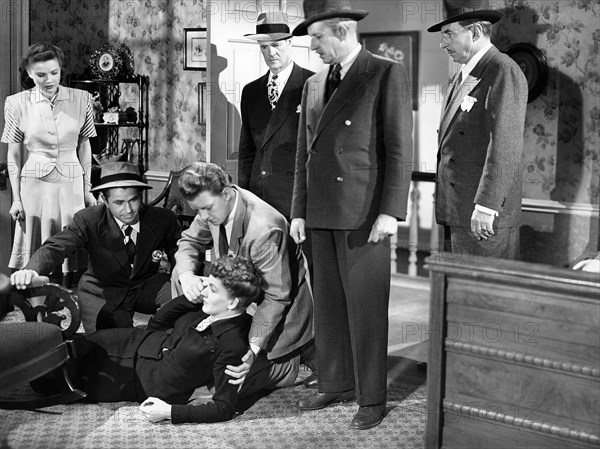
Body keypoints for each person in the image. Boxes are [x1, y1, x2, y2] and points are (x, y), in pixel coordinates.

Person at [290, 0, 413, 430]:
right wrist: (298, 211)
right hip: (320, 212)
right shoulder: (314, 84)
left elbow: (399, 150)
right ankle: (336, 380)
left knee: (366, 308)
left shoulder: (383, 72)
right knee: (328, 306)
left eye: (318, 39)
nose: (314, 49)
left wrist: (390, 212)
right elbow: (307, 154)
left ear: (342, 31)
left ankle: (372, 397)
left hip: (364, 214)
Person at [31, 257, 270, 424]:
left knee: (43, 382)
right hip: (129, 340)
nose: (205, 290)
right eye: (207, 284)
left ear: (233, 303)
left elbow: (224, 407)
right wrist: (192, 298)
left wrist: (170, 412)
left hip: (135, 380)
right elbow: (159, 321)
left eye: (213, 289)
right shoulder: (207, 308)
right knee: (51, 349)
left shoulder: (233, 344)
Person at [172, 162, 315, 395]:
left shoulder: (264, 230)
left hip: (278, 311)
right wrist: (187, 277)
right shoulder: (211, 206)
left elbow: (277, 297)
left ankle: (293, 359)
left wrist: (251, 348)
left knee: (226, 383)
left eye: (207, 208)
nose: (203, 216)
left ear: (226, 194)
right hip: (239, 299)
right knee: (178, 273)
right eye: (198, 210)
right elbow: (189, 242)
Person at [10, 162, 181, 332]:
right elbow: (56, 247)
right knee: (116, 344)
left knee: (184, 301)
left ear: (140, 196)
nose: (128, 209)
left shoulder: (163, 218)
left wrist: (183, 274)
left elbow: (179, 251)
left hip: (145, 285)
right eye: (119, 202)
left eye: (133, 200)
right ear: (104, 200)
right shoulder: (88, 220)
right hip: (102, 291)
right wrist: (32, 270)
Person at [427, 0, 528, 259]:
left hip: (482, 217)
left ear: (474, 32)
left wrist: (487, 205)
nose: (443, 44)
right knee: (458, 294)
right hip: (458, 211)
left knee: (483, 295)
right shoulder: (462, 76)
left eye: (448, 34)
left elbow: (505, 144)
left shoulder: (502, 70)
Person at [2, 43, 97, 283]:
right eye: (41, 74)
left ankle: (70, 299)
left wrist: (87, 189)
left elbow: (85, 146)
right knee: (33, 242)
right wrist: (16, 199)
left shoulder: (82, 99)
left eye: (54, 72)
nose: (49, 79)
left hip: (71, 180)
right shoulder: (16, 103)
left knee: (72, 237)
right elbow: (12, 155)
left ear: (61, 70)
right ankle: (35, 299)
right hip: (34, 184)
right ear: (29, 73)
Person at [239, 10, 315, 278]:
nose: (271, 52)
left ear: (290, 43)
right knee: (266, 272)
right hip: (260, 198)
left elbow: (318, 152)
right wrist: (244, 198)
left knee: (300, 273)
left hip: (296, 197)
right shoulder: (251, 91)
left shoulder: (312, 84)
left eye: (277, 44)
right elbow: (247, 151)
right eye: (264, 47)